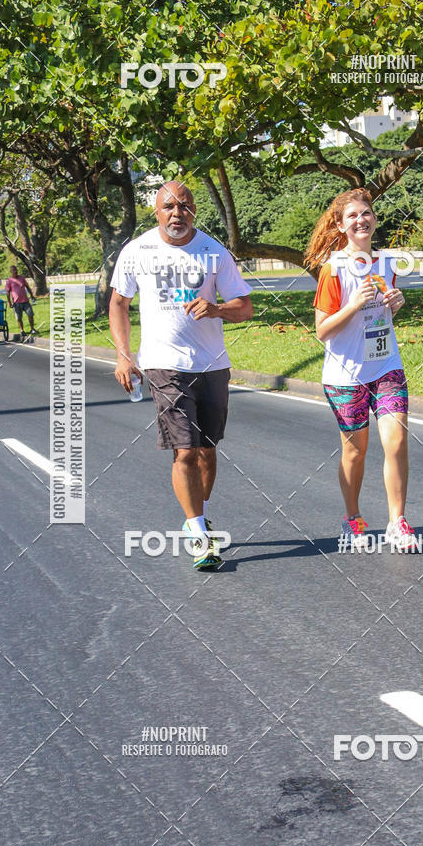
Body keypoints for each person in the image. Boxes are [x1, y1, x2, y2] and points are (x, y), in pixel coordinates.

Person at [109, 181, 253, 570]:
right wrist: (124, 356)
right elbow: (119, 303)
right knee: (185, 449)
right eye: (169, 206)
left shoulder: (213, 251)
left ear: (194, 211)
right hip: (163, 363)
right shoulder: (137, 251)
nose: (177, 213)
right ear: (157, 212)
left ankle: (196, 516)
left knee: (207, 450)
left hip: (211, 364)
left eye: (184, 206)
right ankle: (200, 535)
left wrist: (217, 309)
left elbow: (244, 307)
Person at [305, 188, 416, 552]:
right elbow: (322, 330)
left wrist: (395, 303)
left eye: (365, 213)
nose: (360, 220)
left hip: (385, 367)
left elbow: (383, 313)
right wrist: (352, 305)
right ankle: (352, 518)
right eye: (351, 216)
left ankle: (397, 522)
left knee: (396, 441)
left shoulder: (387, 264)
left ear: (374, 218)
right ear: (340, 225)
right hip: (346, 376)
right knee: (356, 452)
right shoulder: (333, 269)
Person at [5, 265, 36, 337]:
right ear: (11, 272)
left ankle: (32, 329)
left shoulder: (21, 278)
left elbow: (27, 287)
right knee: (19, 318)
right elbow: (8, 292)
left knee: (30, 314)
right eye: (13, 270)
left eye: (16, 270)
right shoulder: (9, 280)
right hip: (16, 303)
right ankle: (22, 330)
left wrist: (32, 295)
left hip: (25, 301)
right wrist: (9, 302)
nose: (15, 271)